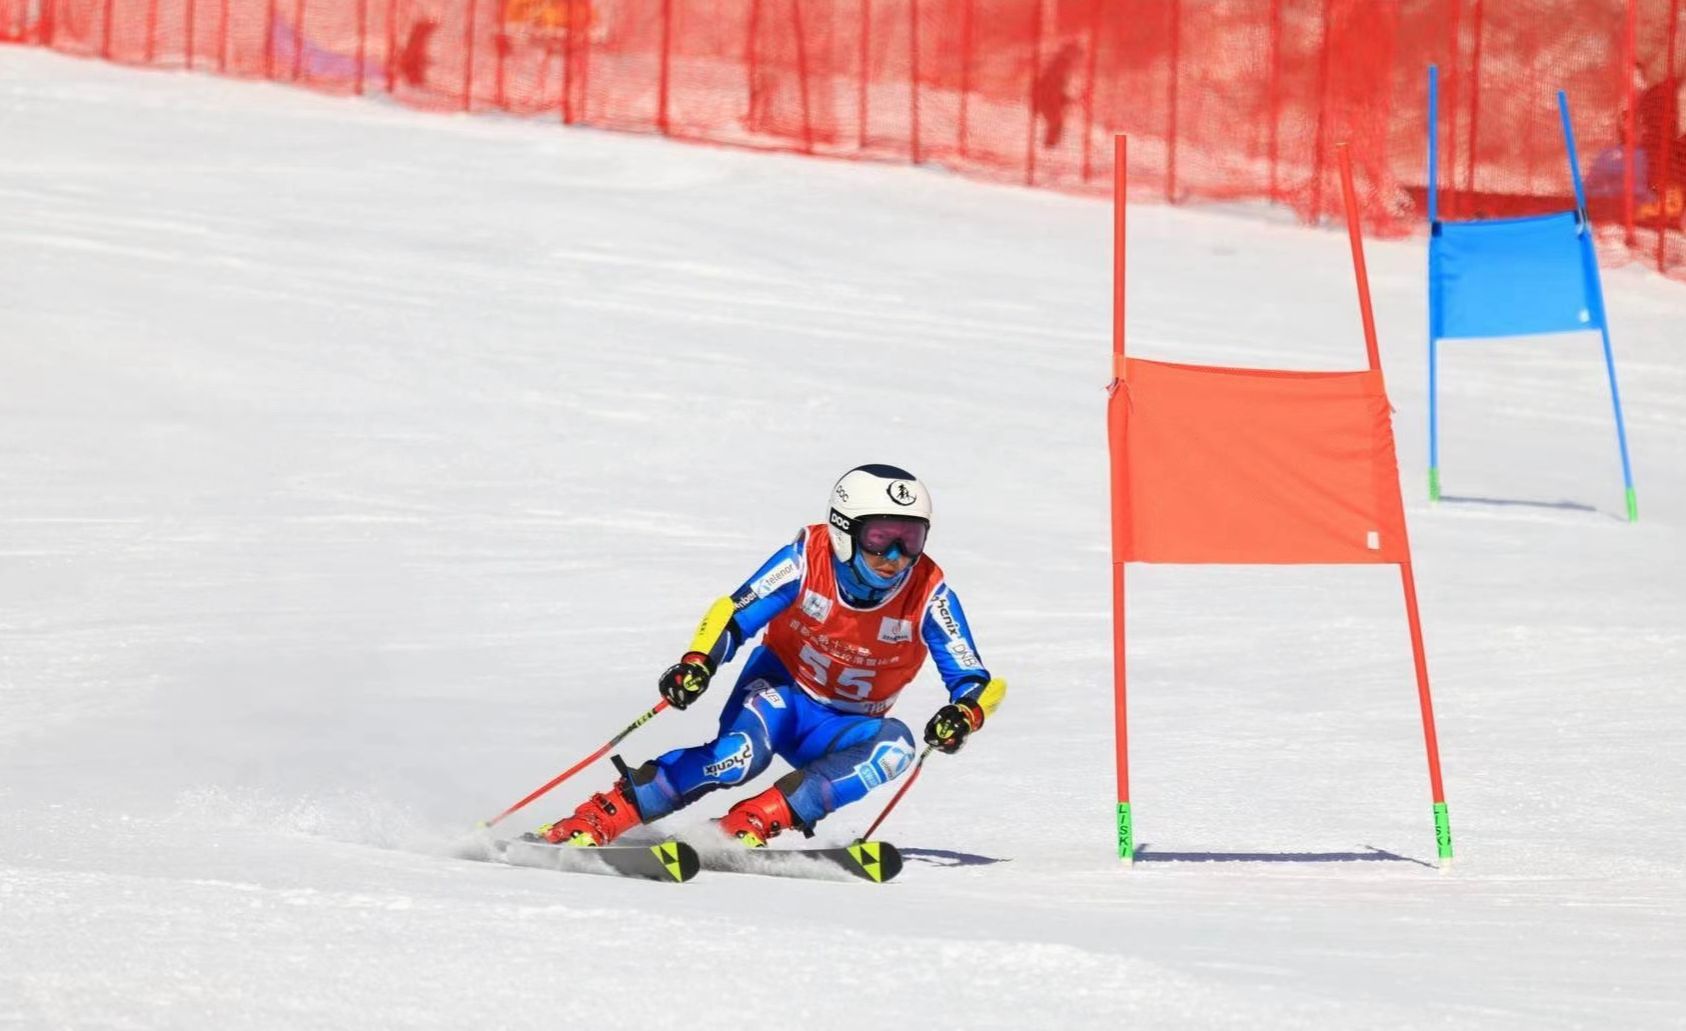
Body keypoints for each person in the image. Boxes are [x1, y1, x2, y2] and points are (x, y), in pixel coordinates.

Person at [538, 464, 1004, 847]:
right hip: (780, 696)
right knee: (739, 756)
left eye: (912, 539)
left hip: (844, 727)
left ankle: (748, 824)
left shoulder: (929, 594)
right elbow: (735, 614)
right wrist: (699, 661)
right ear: (844, 532)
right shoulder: (805, 560)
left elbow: (976, 680)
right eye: (881, 538)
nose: (897, 556)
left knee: (897, 747)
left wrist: (965, 713)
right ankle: (605, 814)